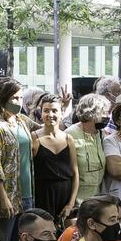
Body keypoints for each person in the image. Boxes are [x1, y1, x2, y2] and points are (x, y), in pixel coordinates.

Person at [0, 77, 34, 241]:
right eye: (14, 98)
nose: (18, 102)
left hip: (27, 194)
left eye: (20, 98)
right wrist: (3, 198)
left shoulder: (22, 120)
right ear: (3, 99)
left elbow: (46, 127)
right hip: (8, 195)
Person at [31, 93, 80, 224]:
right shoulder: (34, 138)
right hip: (42, 197)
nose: (50, 115)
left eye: (54, 110)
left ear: (61, 113)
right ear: (41, 114)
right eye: (46, 111)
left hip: (65, 197)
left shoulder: (68, 138)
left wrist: (70, 204)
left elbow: (75, 173)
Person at [67, 94, 111, 203]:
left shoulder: (100, 134)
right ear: (91, 113)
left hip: (97, 199)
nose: (107, 116)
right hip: (76, 201)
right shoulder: (70, 134)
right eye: (104, 112)